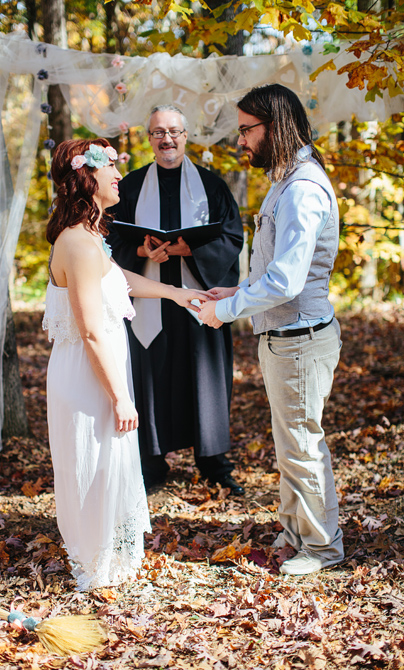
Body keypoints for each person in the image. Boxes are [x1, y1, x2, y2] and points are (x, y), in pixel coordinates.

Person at [43, 138, 211, 590]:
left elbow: (120, 280)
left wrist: (178, 294)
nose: (120, 173)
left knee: (110, 463)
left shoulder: (92, 237)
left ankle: (112, 563)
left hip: (102, 368)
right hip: (86, 375)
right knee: (94, 466)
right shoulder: (76, 243)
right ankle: (95, 570)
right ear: (86, 177)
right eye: (111, 166)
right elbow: (91, 329)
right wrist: (120, 397)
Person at [199, 84, 343, 576]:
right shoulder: (287, 180)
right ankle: (295, 534)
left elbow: (287, 279)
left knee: (302, 446)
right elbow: (272, 268)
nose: (241, 140)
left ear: (275, 125)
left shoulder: (302, 188)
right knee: (290, 446)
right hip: (285, 339)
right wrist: (232, 293)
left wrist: (227, 310)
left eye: (246, 130)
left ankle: (323, 549)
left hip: (300, 340)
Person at [107, 104, 246, 495]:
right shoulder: (129, 187)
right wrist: (140, 253)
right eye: (157, 132)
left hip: (198, 300)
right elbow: (109, 238)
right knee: (150, 378)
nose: (166, 139)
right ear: (148, 138)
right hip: (147, 301)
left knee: (204, 379)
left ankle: (213, 462)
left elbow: (231, 237)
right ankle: (151, 463)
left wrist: (190, 250)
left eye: (173, 131)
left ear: (186, 136)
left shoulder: (212, 185)